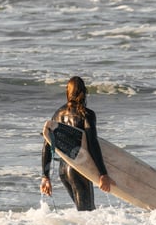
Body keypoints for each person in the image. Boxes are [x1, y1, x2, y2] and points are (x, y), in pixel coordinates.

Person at [40, 76, 114, 211]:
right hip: (78, 170)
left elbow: (47, 144)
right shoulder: (86, 114)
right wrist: (103, 174)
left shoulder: (58, 114)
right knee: (87, 212)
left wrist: (45, 177)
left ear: (67, 92)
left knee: (83, 212)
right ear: (84, 92)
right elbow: (92, 144)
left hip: (63, 171)